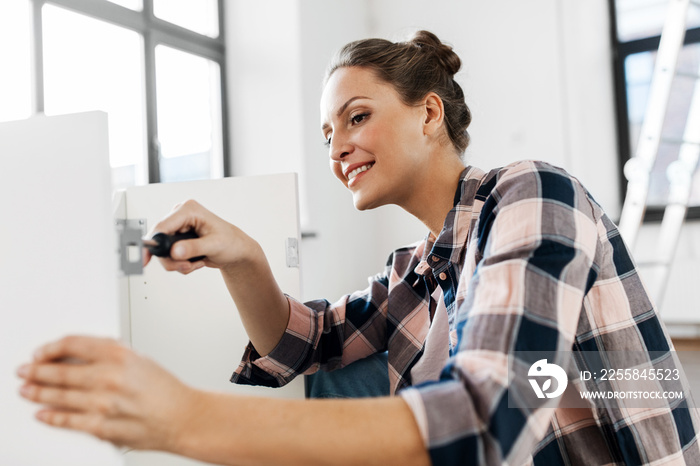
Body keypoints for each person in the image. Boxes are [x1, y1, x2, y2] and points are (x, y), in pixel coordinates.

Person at [16, 30, 700, 465]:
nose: (338, 146)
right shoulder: (423, 265)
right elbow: (304, 343)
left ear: (428, 113)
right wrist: (244, 254)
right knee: (335, 373)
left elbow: (487, 422)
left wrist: (184, 420)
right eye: (327, 133)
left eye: (358, 117)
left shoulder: (534, 195)